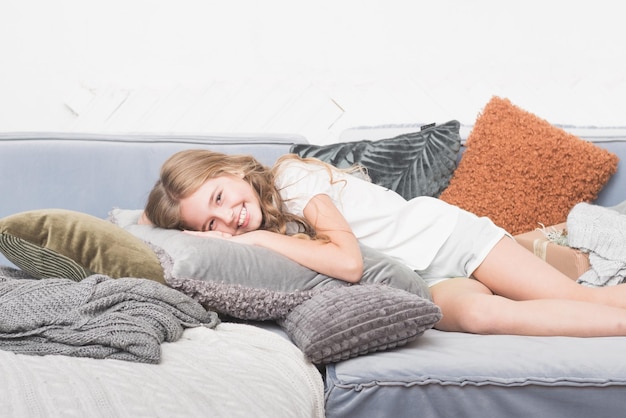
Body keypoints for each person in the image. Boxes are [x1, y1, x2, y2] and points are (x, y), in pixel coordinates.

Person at [142, 149, 626, 337]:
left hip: (450, 240)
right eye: (210, 225)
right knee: (482, 316)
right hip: (425, 281)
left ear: (228, 171)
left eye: (221, 197)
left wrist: (262, 242)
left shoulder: (292, 181)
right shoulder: (260, 225)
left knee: (583, 297)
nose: (228, 217)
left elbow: (349, 264)